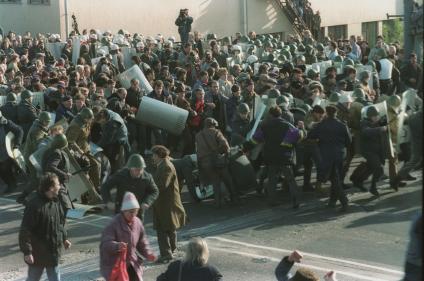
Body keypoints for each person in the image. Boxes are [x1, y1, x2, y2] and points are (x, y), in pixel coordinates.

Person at [19, 172, 71, 281]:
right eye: (58, 184)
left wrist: (64, 238)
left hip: (53, 253)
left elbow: (59, 223)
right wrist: (27, 252)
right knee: (33, 278)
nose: (60, 186)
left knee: (55, 278)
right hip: (38, 255)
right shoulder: (34, 205)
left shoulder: (56, 201)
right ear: (51, 188)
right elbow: (25, 230)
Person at [252, 106, 303, 208]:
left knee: (272, 179)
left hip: (270, 157)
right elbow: (298, 136)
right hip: (284, 157)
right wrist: (301, 129)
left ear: (270, 115)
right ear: (280, 114)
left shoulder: (265, 125)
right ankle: (296, 201)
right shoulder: (286, 125)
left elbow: (255, 139)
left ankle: (272, 201)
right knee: (290, 179)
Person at [100, 191, 156, 281]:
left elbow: (142, 242)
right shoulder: (113, 224)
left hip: (132, 262)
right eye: (131, 212)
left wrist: (148, 253)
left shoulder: (137, 222)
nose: (133, 214)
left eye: (136, 211)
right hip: (115, 264)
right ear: (124, 211)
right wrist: (117, 246)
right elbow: (105, 244)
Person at [308, 106, 351, 211]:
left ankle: (344, 201)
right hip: (340, 154)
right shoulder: (342, 125)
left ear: (326, 113)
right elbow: (349, 141)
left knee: (334, 179)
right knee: (336, 179)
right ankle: (332, 201)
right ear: (336, 113)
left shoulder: (321, 125)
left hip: (327, 155)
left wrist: (312, 128)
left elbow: (311, 136)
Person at [151, 145, 187, 263]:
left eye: (154, 155)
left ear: (159, 155)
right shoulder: (164, 164)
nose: (152, 157)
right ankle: (172, 250)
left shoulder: (166, 166)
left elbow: (163, 185)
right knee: (170, 227)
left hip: (166, 203)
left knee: (162, 228)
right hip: (166, 202)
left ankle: (166, 254)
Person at [101, 153, 159, 221]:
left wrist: (147, 202)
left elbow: (154, 191)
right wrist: (108, 201)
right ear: (130, 168)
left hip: (138, 213)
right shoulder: (121, 175)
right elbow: (105, 187)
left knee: (136, 230)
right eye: (136, 169)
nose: (139, 172)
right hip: (121, 211)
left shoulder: (147, 177)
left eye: (141, 169)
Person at [195, 117, 238, 207]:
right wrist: (225, 154)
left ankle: (217, 203)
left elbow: (197, 151)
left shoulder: (198, 135)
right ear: (213, 125)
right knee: (228, 180)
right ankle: (234, 199)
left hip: (205, 163)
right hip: (218, 161)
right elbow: (225, 145)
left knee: (215, 182)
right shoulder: (216, 132)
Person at [156, 237, 223, 281]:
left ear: (188, 251)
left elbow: (160, 279)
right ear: (204, 252)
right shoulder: (211, 271)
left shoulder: (176, 266)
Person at [0, 110, 23, 193]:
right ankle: (10, 184)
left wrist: (16, 145)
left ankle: (12, 185)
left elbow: (19, 131)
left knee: (5, 169)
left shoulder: (7, 123)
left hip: (6, 151)